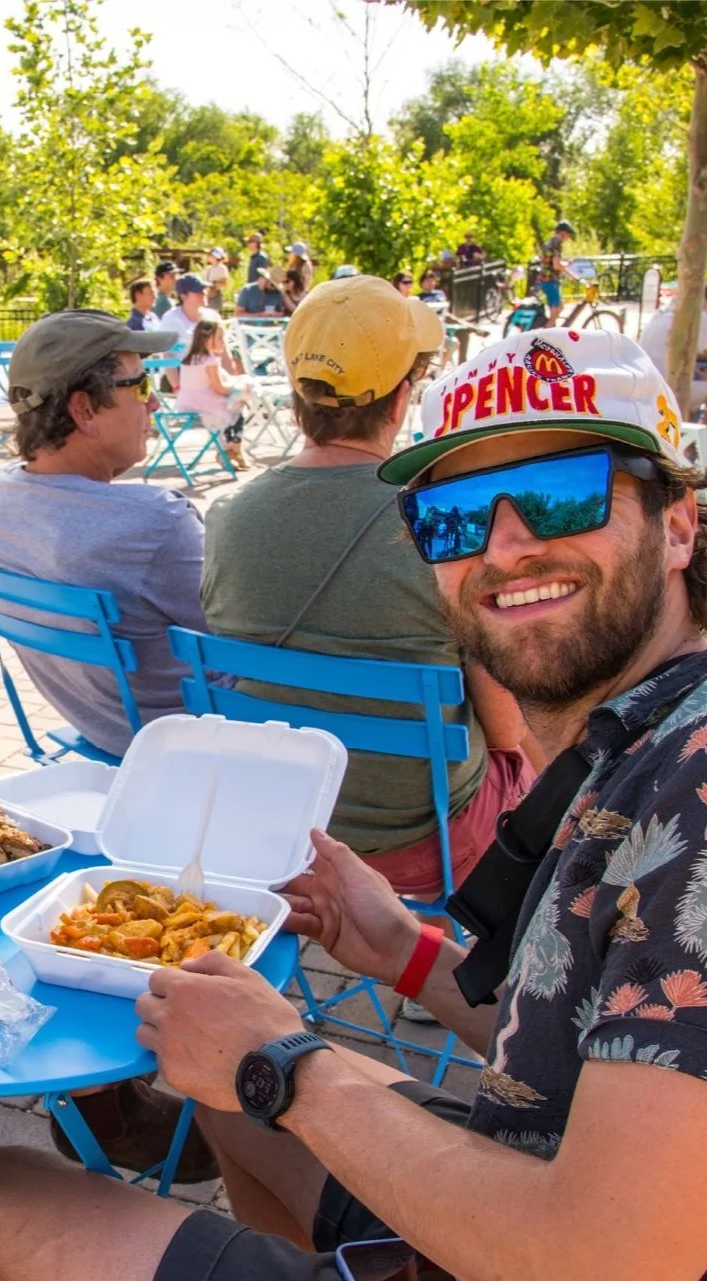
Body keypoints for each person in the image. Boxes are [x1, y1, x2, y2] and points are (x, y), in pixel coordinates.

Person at [0, 326, 707, 1281]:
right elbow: (588, 1043)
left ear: (680, 524)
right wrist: (395, 947)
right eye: (457, 519)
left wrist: (290, 1066)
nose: (507, 547)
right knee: (245, 1113)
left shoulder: (696, 792)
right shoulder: (642, 739)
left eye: (561, 496)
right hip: (516, 1274)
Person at [0, 309, 224, 1176]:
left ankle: (102, 1095)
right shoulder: (153, 523)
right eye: (139, 384)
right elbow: (235, 639)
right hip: (177, 759)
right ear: (84, 408)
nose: (155, 401)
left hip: (91, 736)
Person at [201, 275, 537, 911]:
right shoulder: (444, 525)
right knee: (534, 756)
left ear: (297, 395)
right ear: (401, 398)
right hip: (426, 843)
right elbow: (504, 730)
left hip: (281, 831)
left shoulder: (225, 519)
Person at [173, 317, 246, 470]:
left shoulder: (189, 358)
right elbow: (219, 388)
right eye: (220, 337)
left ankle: (230, 450)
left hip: (186, 402)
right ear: (206, 338)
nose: (223, 342)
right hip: (205, 403)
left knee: (230, 408)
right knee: (238, 405)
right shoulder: (210, 360)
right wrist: (235, 386)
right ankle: (233, 449)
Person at [638, 282, 707, 414]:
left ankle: (693, 419)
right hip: (667, 388)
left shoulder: (663, 312)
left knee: (706, 375)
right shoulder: (697, 315)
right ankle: (700, 423)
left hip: (645, 382)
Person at [158, 272, 210, 355]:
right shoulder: (170, 319)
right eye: (198, 291)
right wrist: (188, 346)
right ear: (184, 296)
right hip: (180, 362)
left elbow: (223, 352)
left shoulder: (211, 316)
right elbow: (166, 349)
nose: (204, 293)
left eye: (204, 289)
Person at [539, 219, 574, 327]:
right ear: (563, 233)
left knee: (559, 307)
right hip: (550, 280)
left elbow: (552, 261)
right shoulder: (556, 244)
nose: (569, 237)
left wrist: (566, 263)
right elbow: (556, 265)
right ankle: (546, 330)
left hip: (545, 279)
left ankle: (548, 328)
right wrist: (573, 276)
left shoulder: (550, 242)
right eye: (568, 234)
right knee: (555, 313)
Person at [204, 247, 231, 315]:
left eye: (210, 255)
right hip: (206, 296)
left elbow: (224, 283)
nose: (208, 256)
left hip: (215, 296)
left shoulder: (222, 268)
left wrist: (214, 285)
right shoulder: (208, 268)